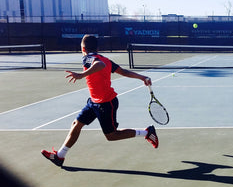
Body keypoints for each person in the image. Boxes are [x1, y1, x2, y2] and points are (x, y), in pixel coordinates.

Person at [41, 35, 159, 167]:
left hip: (106, 103)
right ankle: (60, 156)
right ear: (97, 47)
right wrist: (142, 77)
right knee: (76, 124)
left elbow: (99, 65)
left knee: (111, 136)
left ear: (83, 48)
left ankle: (147, 132)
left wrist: (81, 75)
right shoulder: (106, 60)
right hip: (93, 102)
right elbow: (123, 71)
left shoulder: (89, 58)